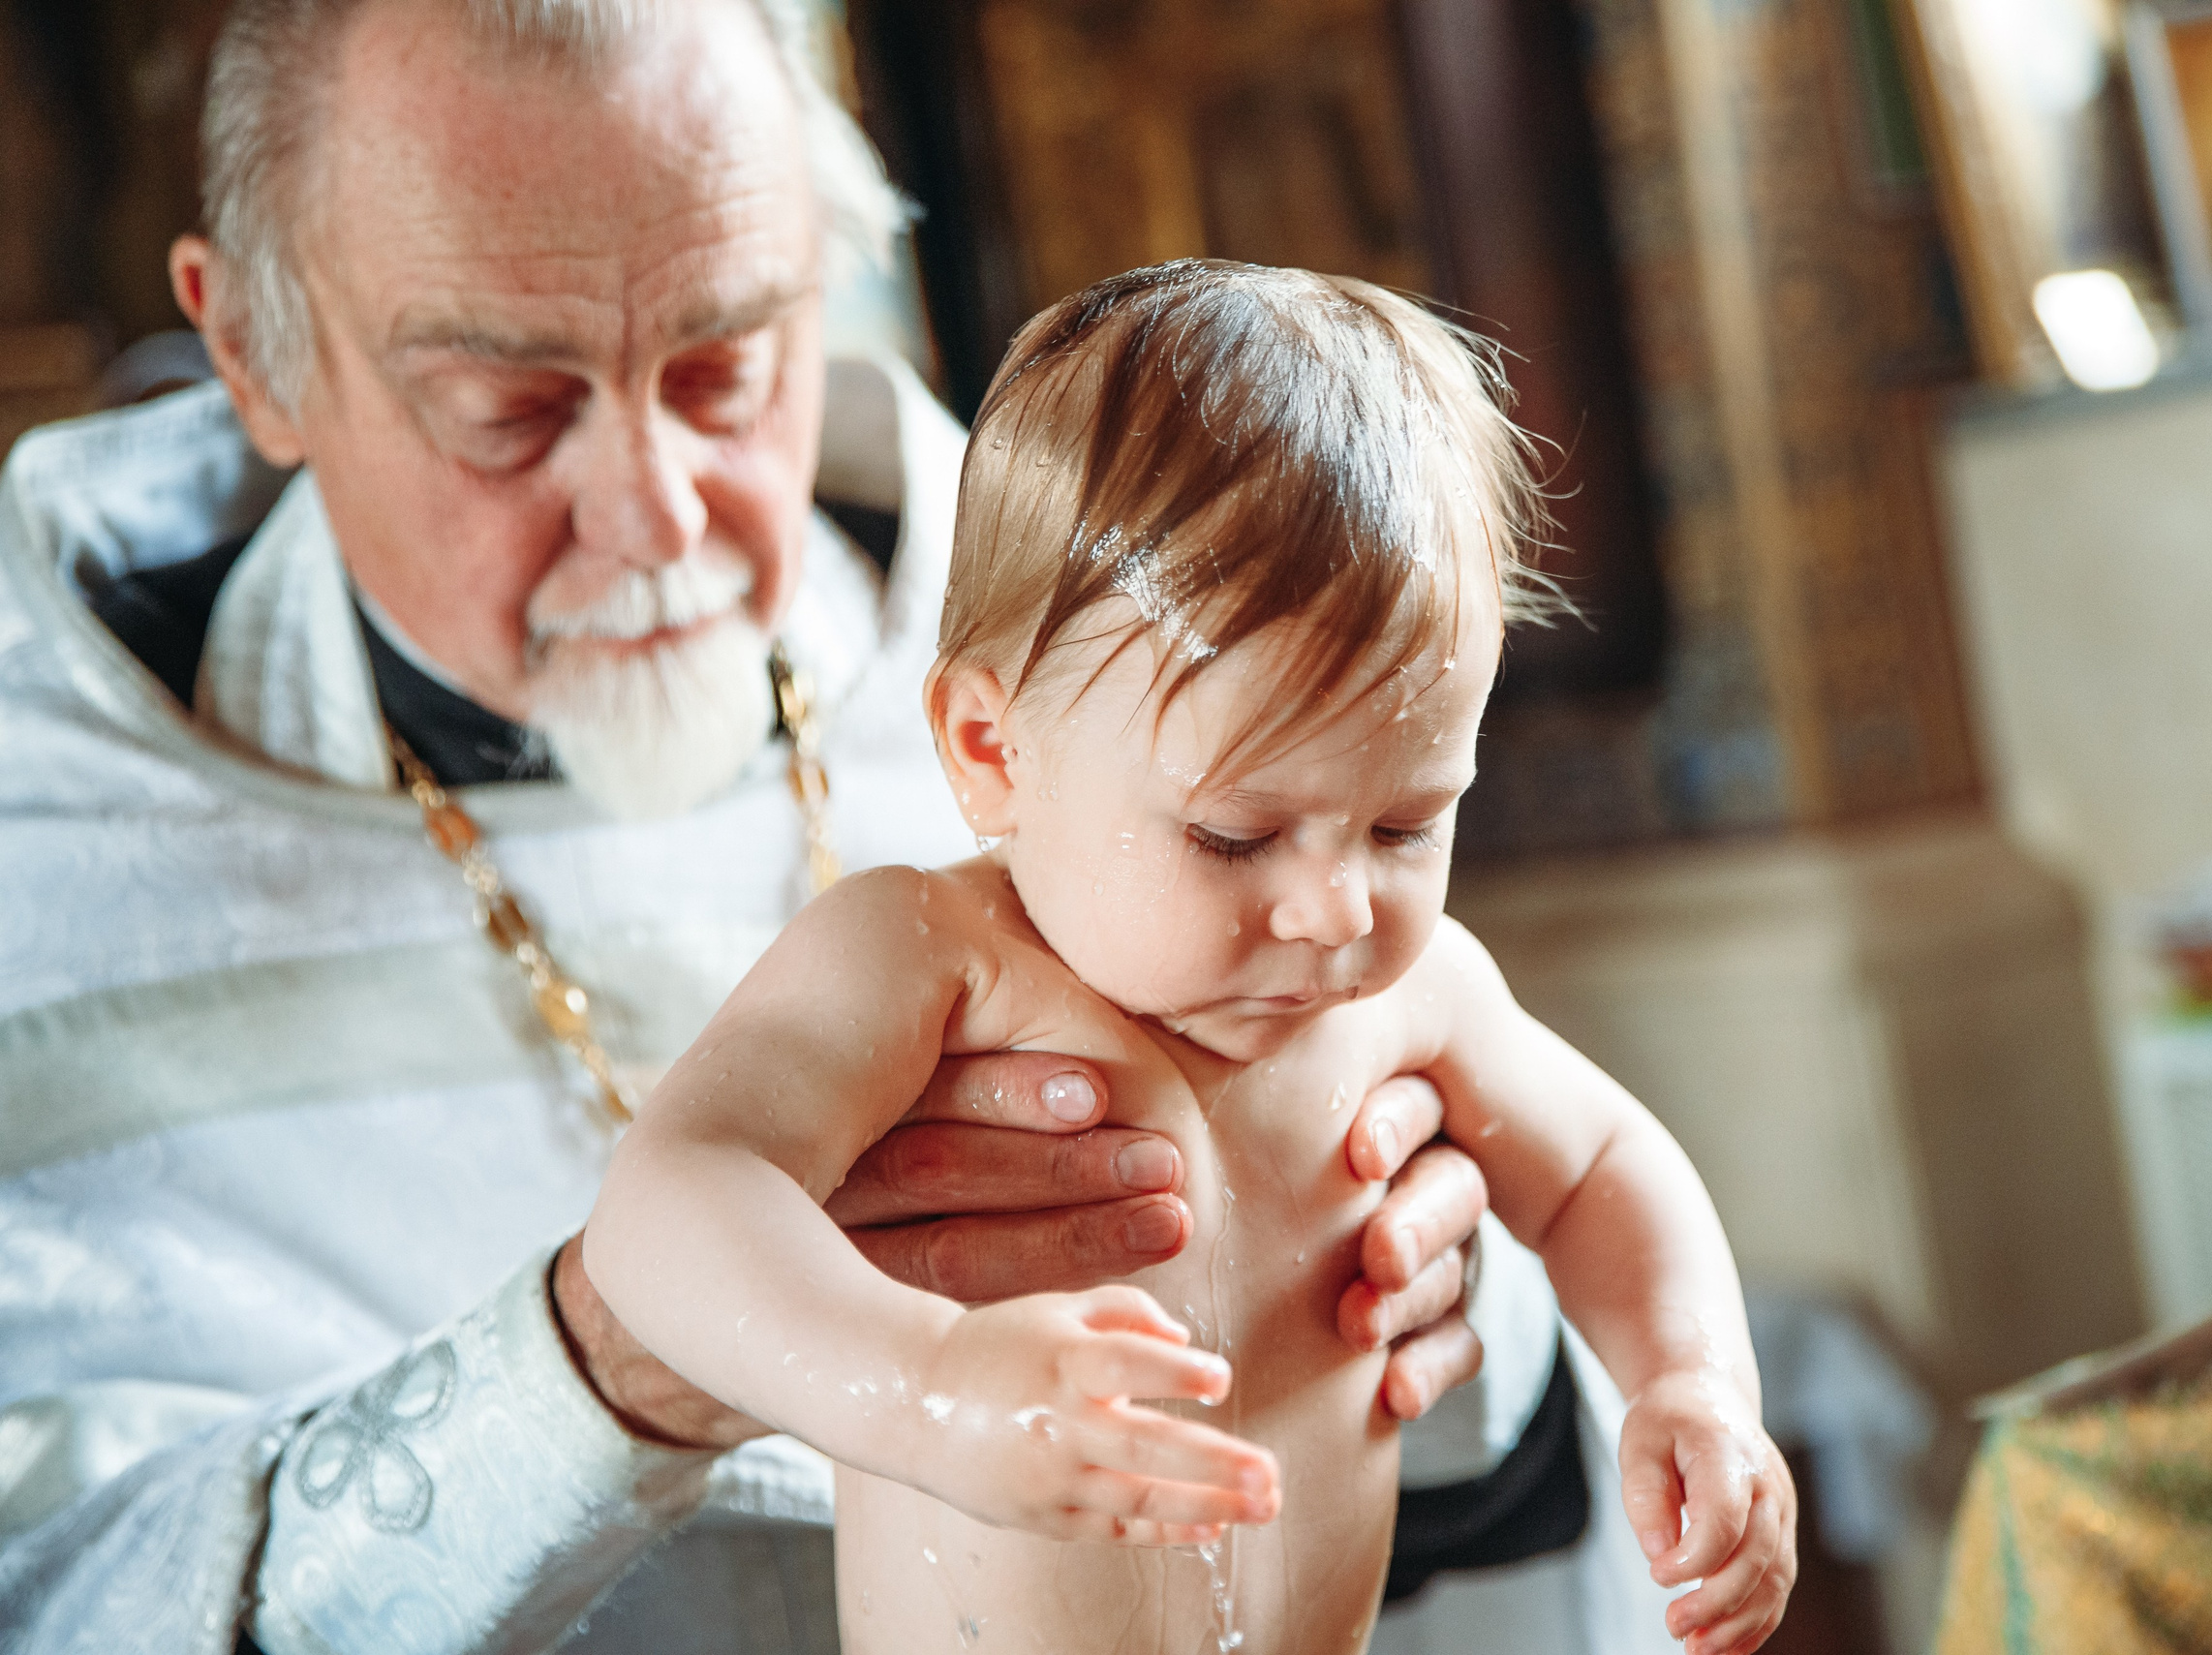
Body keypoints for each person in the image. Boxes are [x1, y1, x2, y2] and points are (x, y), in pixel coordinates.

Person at [0, 1, 1674, 1650]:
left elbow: (1498, 1408)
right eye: (512, 409)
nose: (660, 511)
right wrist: (613, 1370)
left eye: (726, 369)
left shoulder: (1123, 640)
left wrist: (1422, 1272)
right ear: (255, 352)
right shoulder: (48, 846)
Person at [586, 261, 1797, 1655]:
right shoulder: (926, 959)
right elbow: (669, 1195)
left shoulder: (1416, 1001)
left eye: (1406, 823)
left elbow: (1603, 1168)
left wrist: (1693, 1379)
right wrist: (924, 1386)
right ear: (993, 750)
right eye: (1237, 835)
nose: (1335, 908)